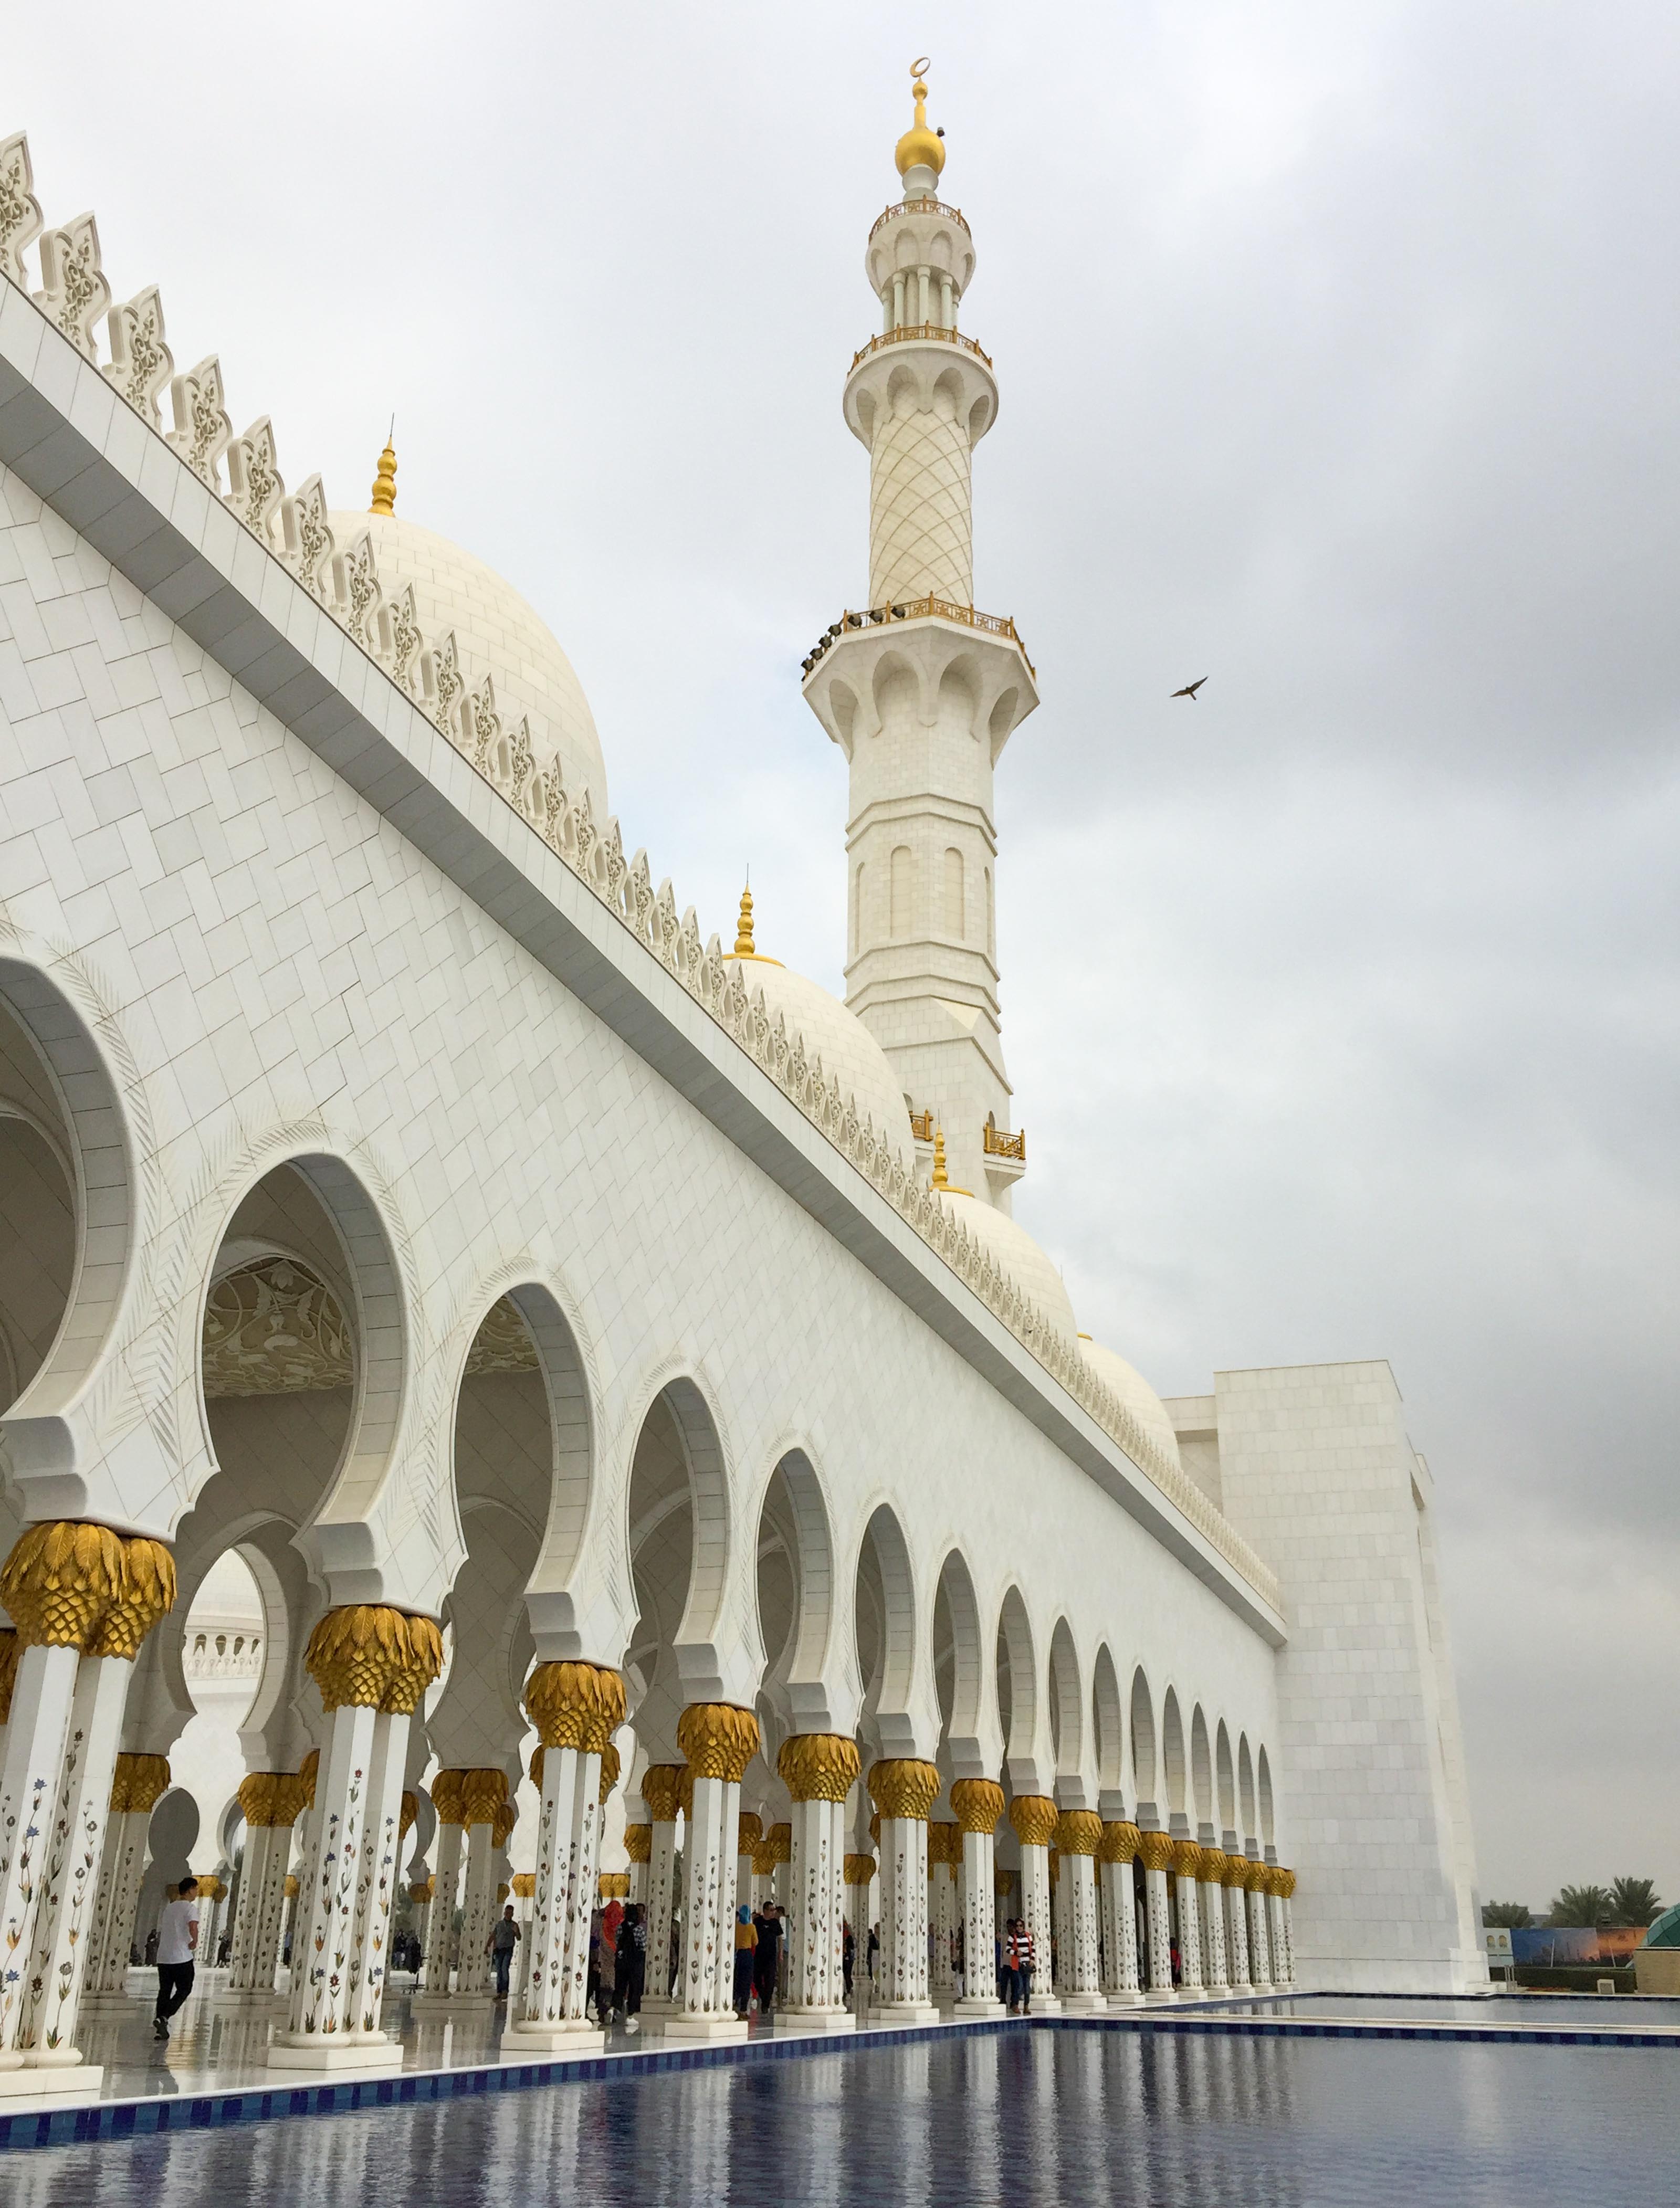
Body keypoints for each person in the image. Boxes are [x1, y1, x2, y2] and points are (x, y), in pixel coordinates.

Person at [153, 1876, 200, 2041]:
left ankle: (161, 2028)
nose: (196, 1893)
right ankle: (164, 2016)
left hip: (164, 1957)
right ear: (189, 1890)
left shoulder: (170, 1908)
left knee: (164, 1991)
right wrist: (194, 1941)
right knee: (185, 1988)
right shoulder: (190, 1908)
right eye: (195, 1889)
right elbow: (193, 1926)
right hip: (182, 1956)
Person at [616, 1902, 646, 2030]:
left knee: (620, 1986)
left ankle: (615, 2009)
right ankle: (631, 2014)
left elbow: (617, 1941)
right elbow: (643, 1946)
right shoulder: (639, 1929)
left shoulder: (620, 1927)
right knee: (634, 1988)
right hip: (635, 1963)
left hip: (622, 1962)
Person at [752, 1902, 783, 2022]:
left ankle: (766, 2003)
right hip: (759, 1955)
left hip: (771, 1956)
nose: (773, 1912)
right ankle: (764, 1996)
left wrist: (780, 1953)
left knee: (770, 1979)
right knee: (757, 1979)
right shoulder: (758, 1922)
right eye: (771, 1910)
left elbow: (780, 1938)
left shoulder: (775, 1923)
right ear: (765, 1910)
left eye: (774, 1910)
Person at [486, 1902, 521, 2000]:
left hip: (508, 1949)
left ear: (512, 1914)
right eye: (507, 1912)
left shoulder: (514, 1925)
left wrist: (516, 1931)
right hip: (499, 1949)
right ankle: (499, 1992)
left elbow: (519, 1938)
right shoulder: (500, 1924)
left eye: (510, 1913)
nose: (508, 1914)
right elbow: (493, 1935)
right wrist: (487, 1946)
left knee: (504, 1968)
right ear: (505, 1913)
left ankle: (505, 1990)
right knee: (499, 1970)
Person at [732, 1905, 757, 2015]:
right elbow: (755, 1942)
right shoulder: (751, 1927)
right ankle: (743, 2009)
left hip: (738, 1955)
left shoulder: (736, 1927)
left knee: (737, 1979)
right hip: (747, 1954)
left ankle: (734, 2001)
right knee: (747, 1981)